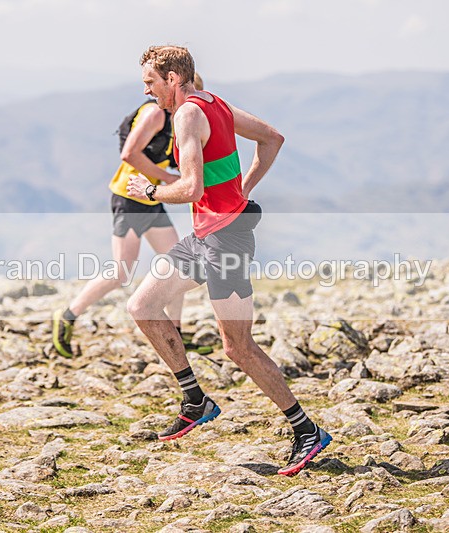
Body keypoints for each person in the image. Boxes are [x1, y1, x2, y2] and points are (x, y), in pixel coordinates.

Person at [125, 45, 331, 476]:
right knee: (142, 305)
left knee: (238, 347)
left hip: (227, 242)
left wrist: (150, 192)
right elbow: (273, 138)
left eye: (150, 83)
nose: (146, 91)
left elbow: (192, 188)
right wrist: (244, 191)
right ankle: (195, 399)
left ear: (173, 79)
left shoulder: (185, 115)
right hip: (205, 236)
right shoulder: (214, 102)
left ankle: (306, 430)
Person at [51, 73, 205, 358]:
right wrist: (168, 179)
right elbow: (129, 154)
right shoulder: (155, 114)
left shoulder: (180, 118)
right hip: (129, 197)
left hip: (148, 195)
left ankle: (176, 334)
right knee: (122, 271)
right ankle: (68, 316)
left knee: (178, 261)